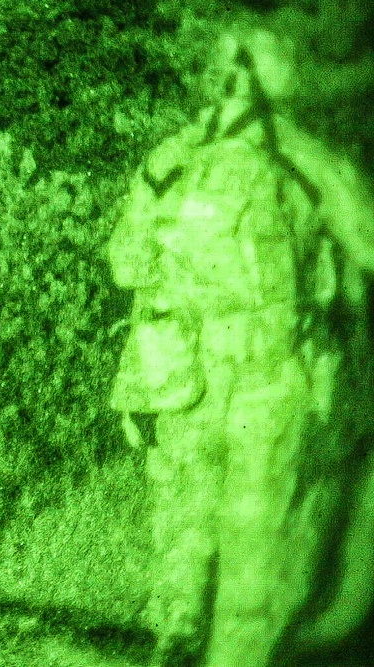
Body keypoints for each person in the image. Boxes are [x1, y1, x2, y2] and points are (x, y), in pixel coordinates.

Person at [107, 26, 374, 667]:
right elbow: (130, 269)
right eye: (223, 75)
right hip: (187, 378)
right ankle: (173, 647)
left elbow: (365, 243)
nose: (230, 90)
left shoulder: (310, 166)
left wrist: (292, 140)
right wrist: (134, 381)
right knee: (181, 538)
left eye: (246, 76)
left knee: (254, 552)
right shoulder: (174, 166)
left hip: (272, 377)